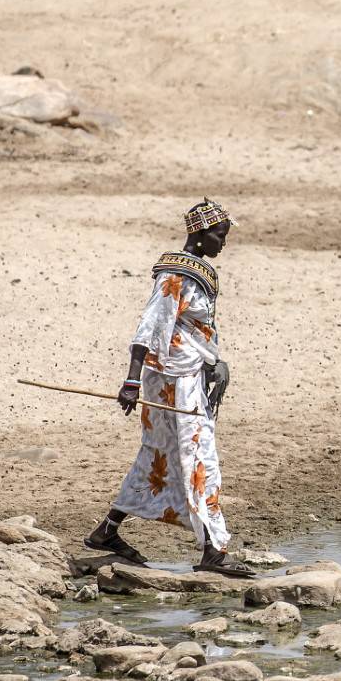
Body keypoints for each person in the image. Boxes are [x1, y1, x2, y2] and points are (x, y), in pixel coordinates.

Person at [84, 199, 253, 577]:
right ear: (199, 233)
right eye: (219, 235)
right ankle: (213, 551)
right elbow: (150, 326)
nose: (223, 243)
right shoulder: (175, 276)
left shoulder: (198, 271)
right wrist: (130, 381)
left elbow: (195, 330)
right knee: (199, 457)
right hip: (173, 382)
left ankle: (107, 532)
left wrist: (214, 360)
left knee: (157, 455)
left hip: (186, 374)